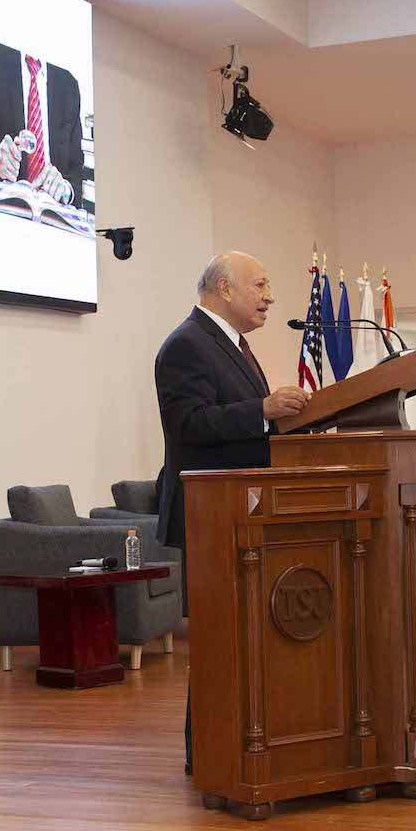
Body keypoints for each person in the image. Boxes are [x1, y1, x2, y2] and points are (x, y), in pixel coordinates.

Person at [155, 251, 308, 769]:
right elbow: (188, 426)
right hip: (211, 516)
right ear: (224, 287)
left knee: (247, 636)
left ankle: (247, 739)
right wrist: (262, 410)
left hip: (245, 511)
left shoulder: (231, 345)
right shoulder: (186, 345)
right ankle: (213, 753)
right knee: (221, 638)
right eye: (260, 285)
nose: (270, 296)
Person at [0, 41, 89, 208]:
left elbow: (76, 177)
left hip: (53, 212)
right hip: (6, 207)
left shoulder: (68, 84)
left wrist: (64, 189)